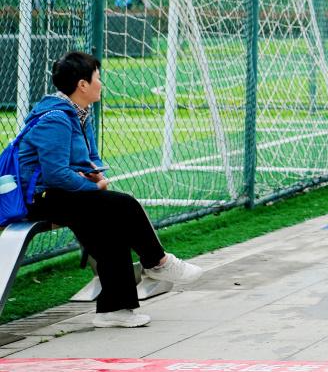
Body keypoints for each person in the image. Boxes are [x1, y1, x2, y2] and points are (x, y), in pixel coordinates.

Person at [18, 52, 204, 328]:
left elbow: (90, 158)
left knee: (110, 228)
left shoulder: (81, 114)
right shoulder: (56, 118)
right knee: (123, 205)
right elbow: (55, 174)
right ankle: (158, 262)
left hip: (65, 193)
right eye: (98, 78)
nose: (101, 83)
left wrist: (95, 174)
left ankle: (114, 310)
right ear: (82, 85)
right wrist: (93, 186)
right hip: (39, 198)